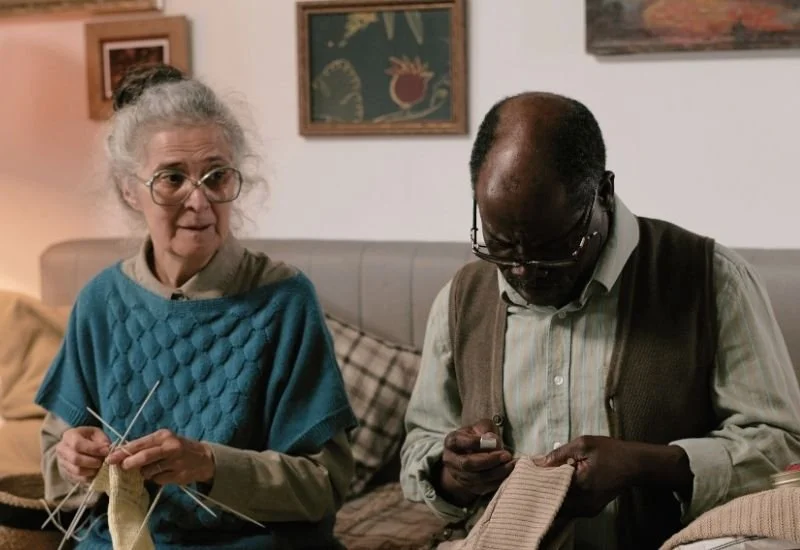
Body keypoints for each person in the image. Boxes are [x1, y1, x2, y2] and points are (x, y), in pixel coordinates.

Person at [400, 91, 800, 549]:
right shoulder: (461, 298)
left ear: (603, 193)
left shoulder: (711, 280)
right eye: (500, 244)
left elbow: (781, 449)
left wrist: (647, 465)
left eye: (553, 249)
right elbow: (420, 444)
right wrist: (452, 473)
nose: (522, 271)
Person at [34, 64, 358, 549]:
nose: (199, 200)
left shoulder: (285, 301)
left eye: (216, 176)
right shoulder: (100, 301)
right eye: (171, 178)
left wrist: (209, 464)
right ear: (129, 189)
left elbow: (323, 485)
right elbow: (53, 467)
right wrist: (70, 460)